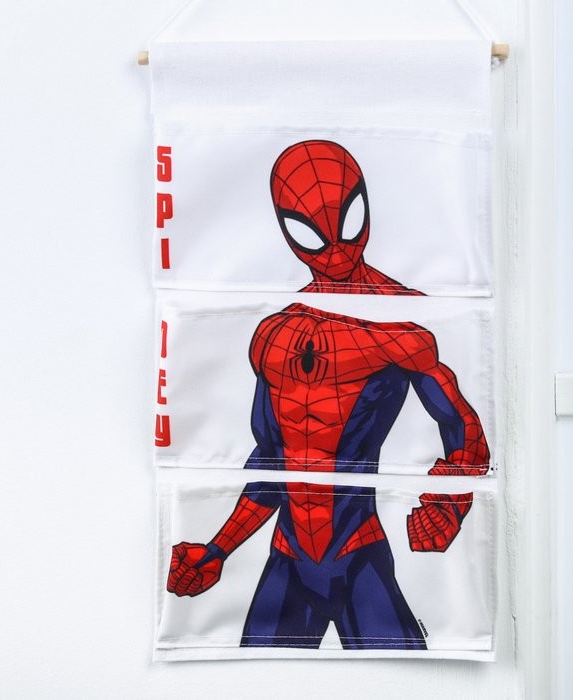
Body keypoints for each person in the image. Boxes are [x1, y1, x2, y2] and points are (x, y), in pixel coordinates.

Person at [167, 141, 490, 650]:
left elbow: (462, 425)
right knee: (252, 684)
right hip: (289, 559)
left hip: (359, 555)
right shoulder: (274, 336)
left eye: (347, 223)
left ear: (364, 206)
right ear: (288, 229)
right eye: (312, 234)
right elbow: (273, 462)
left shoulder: (399, 319)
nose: (337, 250)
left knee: (412, 682)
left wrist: (450, 502)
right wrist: (218, 550)